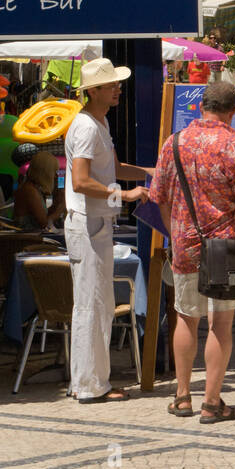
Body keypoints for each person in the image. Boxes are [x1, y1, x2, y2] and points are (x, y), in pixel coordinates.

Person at [151, 81, 235, 422]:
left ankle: (182, 396)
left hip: (186, 247)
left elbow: (160, 198)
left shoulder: (172, 144)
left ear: (200, 106)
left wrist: (176, 234)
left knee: (186, 320)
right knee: (221, 325)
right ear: (233, 111)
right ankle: (212, 403)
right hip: (228, 250)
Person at [64, 59, 153, 403]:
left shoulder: (98, 121)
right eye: (111, 84)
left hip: (97, 224)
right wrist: (125, 193)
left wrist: (150, 172)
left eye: (117, 84)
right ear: (94, 91)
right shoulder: (86, 126)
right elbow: (82, 181)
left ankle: (93, 381)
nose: (118, 88)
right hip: (87, 224)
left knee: (98, 304)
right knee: (90, 305)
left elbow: (114, 168)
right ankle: (88, 385)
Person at [13, 152, 65, 232]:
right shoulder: (30, 191)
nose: (55, 176)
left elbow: (44, 215)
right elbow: (45, 224)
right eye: (54, 171)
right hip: (29, 241)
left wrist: (58, 201)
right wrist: (61, 207)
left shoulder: (33, 188)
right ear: (46, 172)